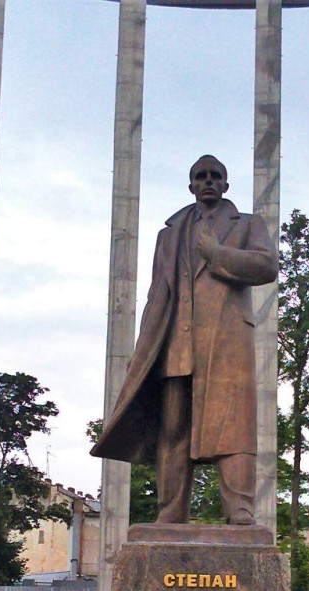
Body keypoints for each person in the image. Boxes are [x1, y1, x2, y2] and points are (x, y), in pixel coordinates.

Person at [91, 155, 278, 524]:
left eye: (215, 176)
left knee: (233, 424)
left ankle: (240, 508)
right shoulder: (170, 234)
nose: (208, 181)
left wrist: (217, 254)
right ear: (191, 185)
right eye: (200, 176)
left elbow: (266, 266)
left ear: (225, 184)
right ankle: (171, 511)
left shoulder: (248, 224)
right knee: (173, 427)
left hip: (227, 341)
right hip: (177, 340)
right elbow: (156, 294)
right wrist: (144, 350)